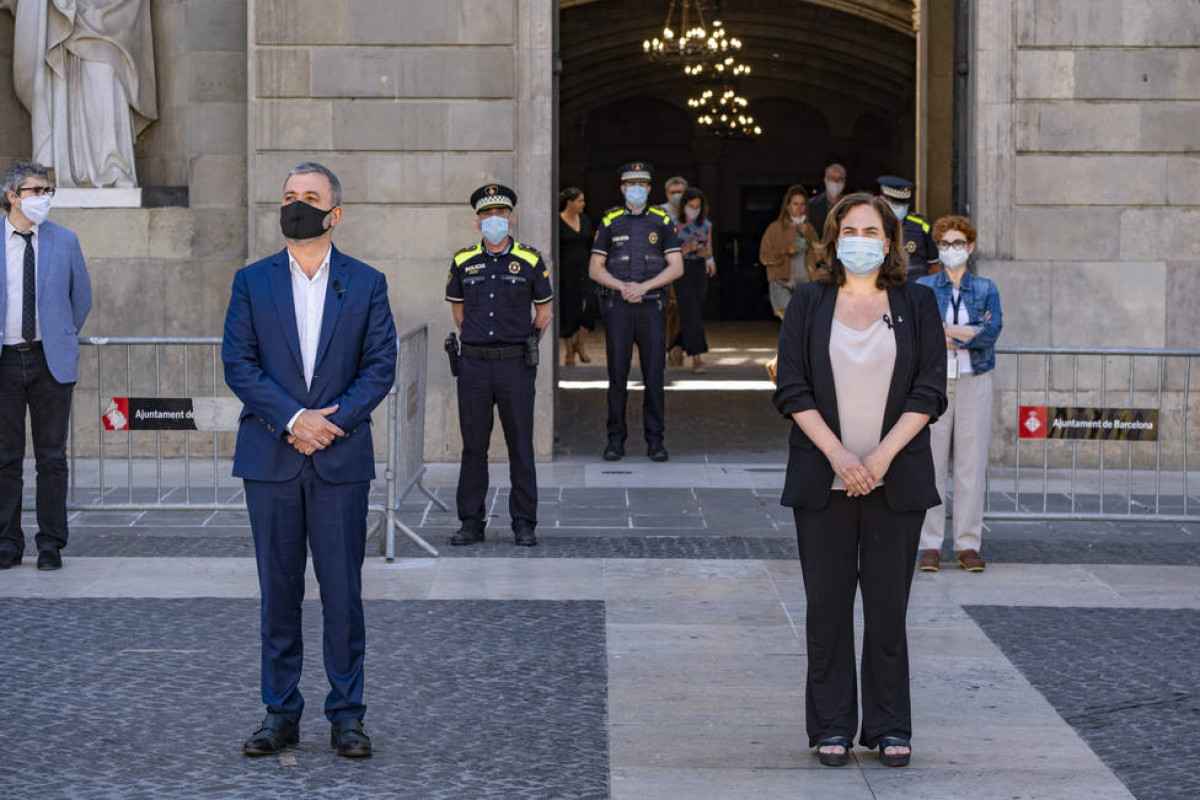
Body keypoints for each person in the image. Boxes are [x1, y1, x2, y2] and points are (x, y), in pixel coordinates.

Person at [223, 162, 397, 759]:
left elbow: (380, 365)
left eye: (310, 196)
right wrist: (296, 420)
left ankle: (348, 716)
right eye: (289, 195)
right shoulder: (252, 281)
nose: (296, 204)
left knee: (342, 594)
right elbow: (239, 363)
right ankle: (280, 713)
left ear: (334, 213)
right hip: (270, 458)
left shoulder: (366, 283)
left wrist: (330, 423)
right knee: (278, 592)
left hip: (340, 461)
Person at [772, 192, 946, 769]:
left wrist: (881, 458)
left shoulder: (917, 302)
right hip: (823, 482)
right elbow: (791, 387)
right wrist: (841, 457)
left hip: (896, 482)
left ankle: (890, 724)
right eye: (851, 230)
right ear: (833, 238)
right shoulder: (808, 302)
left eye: (872, 231)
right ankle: (832, 725)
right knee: (826, 610)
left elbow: (929, 390)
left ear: (890, 242)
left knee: (888, 610)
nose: (861, 241)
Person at [446, 184, 553, 547]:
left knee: (520, 445)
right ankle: (470, 522)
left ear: (511, 218)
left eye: (501, 214)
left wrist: (526, 343)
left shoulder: (530, 259)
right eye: (487, 214)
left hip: (514, 365)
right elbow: (459, 314)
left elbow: (544, 312)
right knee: (473, 446)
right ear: (478, 221)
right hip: (474, 366)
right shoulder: (463, 261)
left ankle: (524, 523)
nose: (494, 220)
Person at [0, 161, 91, 571]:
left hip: (48, 361)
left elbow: (81, 298)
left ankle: (51, 543)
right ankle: (7, 542)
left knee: (52, 457)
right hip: (4, 361)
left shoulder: (64, 241)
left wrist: (60, 335)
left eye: (46, 191)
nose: (43, 198)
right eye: (35, 191)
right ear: (13, 196)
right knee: (6, 456)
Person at [917, 216, 1002, 573]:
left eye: (958, 243)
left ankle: (968, 544)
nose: (952, 249)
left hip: (974, 379)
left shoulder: (986, 288)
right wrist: (965, 331)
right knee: (932, 464)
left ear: (970, 246)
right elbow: (922, 332)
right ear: (937, 248)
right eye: (945, 243)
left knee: (971, 464)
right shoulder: (923, 287)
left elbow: (991, 331)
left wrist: (948, 333)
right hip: (935, 382)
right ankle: (930, 543)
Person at [1, 0, 158, 187]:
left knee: (107, 75)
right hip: (64, 14)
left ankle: (113, 164)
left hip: (111, 18)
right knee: (62, 79)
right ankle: (62, 164)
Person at [590, 161, 683, 462]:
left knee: (654, 376)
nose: (637, 189)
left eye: (642, 185)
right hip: (618, 308)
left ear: (649, 188)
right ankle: (615, 441)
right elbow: (594, 268)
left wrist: (644, 287)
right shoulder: (610, 221)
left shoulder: (661, 220)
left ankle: (655, 441)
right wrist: (622, 286)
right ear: (622, 188)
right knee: (617, 376)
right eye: (632, 185)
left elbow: (677, 266)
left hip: (652, 307)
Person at [669, 187, 715, 373]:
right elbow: (669, 253)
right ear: (684, 206)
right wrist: (687, 249)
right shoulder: (674, 225)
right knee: (692, 313)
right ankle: (697, 358)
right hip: (681, 270)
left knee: (692, 313)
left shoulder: (707, 225)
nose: (694, 210)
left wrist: (704, 254)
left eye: (697, 207)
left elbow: (709, 251)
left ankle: (676, 345)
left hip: (699, 270)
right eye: (691, 206)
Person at [759, 184, 820, 319]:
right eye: (795, 204)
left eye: (802, 204)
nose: (799, 209)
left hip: (805, 283)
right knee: (790, 320)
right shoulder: (775, 228)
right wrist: (785, 250)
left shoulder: (809, 229)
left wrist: (807, 235)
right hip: (781, 282)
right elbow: (764, 256)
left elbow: (819, 256)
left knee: (803, 322)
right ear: (788, 206)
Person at [558, 188, 596, 366]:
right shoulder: (558, 221)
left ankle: (580, 344)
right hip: (567, 271)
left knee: (590, 306)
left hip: (586, 268)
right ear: (570, 202)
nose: (583, 204)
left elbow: (591, 242)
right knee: (569, 309)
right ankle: (569, 350)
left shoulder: (585, 219)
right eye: (580, 200)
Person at [878, 176, 938, 281]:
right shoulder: (871, 225)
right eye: (895, 204)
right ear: (882, 200)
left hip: (915, 284)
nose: (900, 208)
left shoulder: (922, 226)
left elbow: (934, 265)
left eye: (903, 205)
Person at [807, 163, 846, 235]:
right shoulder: (811, 205)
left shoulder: (850, 204)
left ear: (844, 181)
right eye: (832, 178)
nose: (836, 182)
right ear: (825, 180)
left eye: (840, 179)